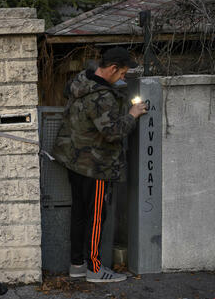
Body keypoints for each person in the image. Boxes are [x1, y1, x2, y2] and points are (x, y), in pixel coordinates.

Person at [51, 47, 147, 283]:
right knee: (96, 217)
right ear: (113, 68)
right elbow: (113, 132)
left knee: (80, 214)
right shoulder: (102, 97)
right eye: (123, 73)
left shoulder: (82, 82)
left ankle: (77, 265)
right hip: (96, 166)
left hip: (75, 161)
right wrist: (133, 113)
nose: (123, 78)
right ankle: (95, 268)